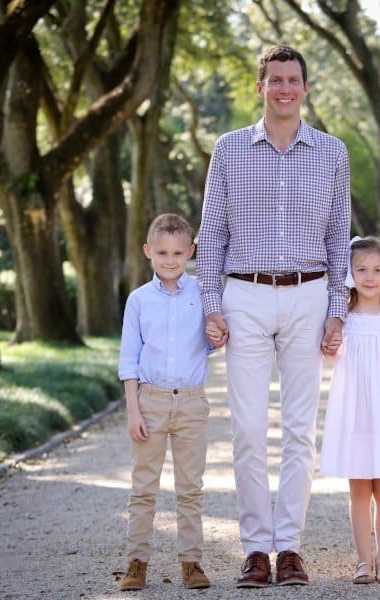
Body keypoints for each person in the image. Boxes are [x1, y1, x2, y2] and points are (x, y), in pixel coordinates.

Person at [196, 44, 350, 588]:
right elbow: (211, 233)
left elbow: (338, 240)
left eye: (293, 80)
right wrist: (210, 304)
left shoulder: (332, 152)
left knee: (301, 431)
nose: (284, 88)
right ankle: (255, 549)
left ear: (306, 88)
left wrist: (338, 311)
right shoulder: (230, 149)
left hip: (309, 296)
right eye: (275, 80)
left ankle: (290, 548)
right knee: (248, 429)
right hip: (246, 298)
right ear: (259, 87)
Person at [117, 214, 216, 592]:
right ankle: (136, 561)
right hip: (151, 401)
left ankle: (191, 562)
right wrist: (133, 408)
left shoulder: (203, 293)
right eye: (162, 252)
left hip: (191, 403)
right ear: (148, 252)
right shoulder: (139, 300)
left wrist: (216, 333)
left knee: (190, 488)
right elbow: (129, 357)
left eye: (178, 252)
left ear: (190, 252)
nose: (170, 260)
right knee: (144, 487)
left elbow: (212, 340)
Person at [319, 237, 380, 586]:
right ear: (349, 273)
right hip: (355, 410)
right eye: (361, 269)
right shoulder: (342, 316)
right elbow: (332, 356)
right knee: (359, 487)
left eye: (377, 270)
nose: (370, 277)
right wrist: (330, 346)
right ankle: (363, 559)